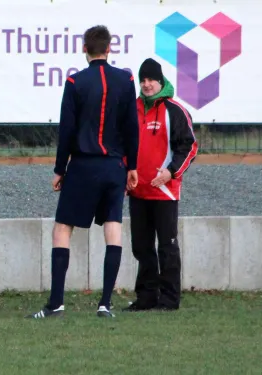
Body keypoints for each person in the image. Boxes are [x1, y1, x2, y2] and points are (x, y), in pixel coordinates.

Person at [26, 25, 139, 319]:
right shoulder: (126, 79)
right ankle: (105, 304)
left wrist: (59, 169)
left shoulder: (75, 81)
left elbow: (67, 130)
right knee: (113, 226)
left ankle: (56, 303)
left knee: (62, 228)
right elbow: (131, 127)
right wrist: (133, 166)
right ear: (109, 48)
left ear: (84, 49)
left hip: (84, 165)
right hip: (115, 166)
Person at [123, 58, 198, 312]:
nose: (146, 85)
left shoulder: (174, 110)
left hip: (164, 192)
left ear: (160, 81)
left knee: (167, 247)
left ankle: (169, 300)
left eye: (151, 80)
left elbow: (189, 146)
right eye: (142, 80)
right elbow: (122, 145)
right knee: (141, 247)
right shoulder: (131, 109)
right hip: (137, 190)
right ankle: (146, 297)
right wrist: (125, 173)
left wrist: (171, 172)